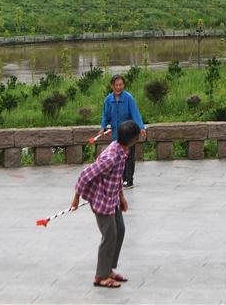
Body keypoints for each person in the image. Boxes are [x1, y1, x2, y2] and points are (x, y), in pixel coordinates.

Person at [72, 120, 140, 289]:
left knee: (120, 230)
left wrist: (122, 197)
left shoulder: (122, 150)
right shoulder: (110, 157)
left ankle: (108, 269)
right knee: (109, 235)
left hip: (112, 199)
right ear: (132, 139)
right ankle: (101, 276)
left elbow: (116, 177)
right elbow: (85, 175)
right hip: (101, 201)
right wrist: (76, 198)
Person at [98, 74, 146, 188]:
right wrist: (103, 127)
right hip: (117, 134)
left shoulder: (129, 98)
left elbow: (135, 113)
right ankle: (122, 179)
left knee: (129, 156)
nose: (119, 87)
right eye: (116, 85)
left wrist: (141, 127)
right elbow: (105, 115)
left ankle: (129, 180)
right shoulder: (108, 100)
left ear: (123, 85)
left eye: (121, 85)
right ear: (112, 86)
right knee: (119, 157)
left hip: (129, 132)